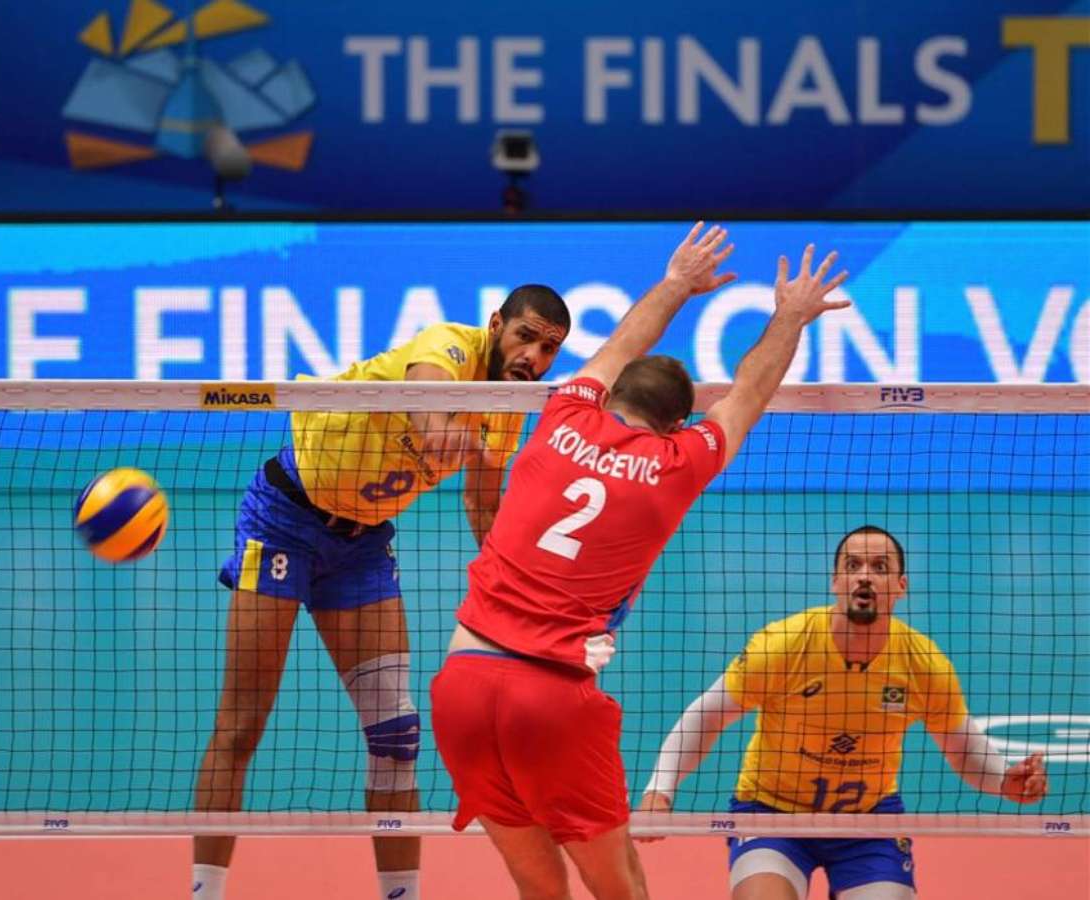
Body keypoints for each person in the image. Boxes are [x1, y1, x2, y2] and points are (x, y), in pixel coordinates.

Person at [430, 225, 852, 900]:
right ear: (677, 426)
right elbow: (748, 392)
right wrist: (791, 316)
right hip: (550, 698)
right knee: (618, 884)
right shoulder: (679, 462)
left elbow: (623, 343)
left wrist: (678, 282)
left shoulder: (563, 414)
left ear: (610, 395)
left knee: (537, 886)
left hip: (462, 683)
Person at [192, 287, 571, 900]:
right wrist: (438, 428)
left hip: (362, 546)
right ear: (496, 324)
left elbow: (482, 502)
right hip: (285, 520)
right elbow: (424, 389)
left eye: (549, 348)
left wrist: (518, 592)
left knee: (396, 735)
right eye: (525, 336)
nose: (534, 356)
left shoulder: (509, 405)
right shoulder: (449, 345)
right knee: (241, 726)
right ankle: (204, 892)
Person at [639, 524, 1050, 900]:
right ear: (835, 581)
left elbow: (963, 751)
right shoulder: (783, 645)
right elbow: (706, 716)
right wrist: (660, 789)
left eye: (879, 567)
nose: (864, 576)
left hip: (868, 822)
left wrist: (1004, 781)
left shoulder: (925, 665)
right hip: (771, 814)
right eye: (852, 566)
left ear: (901, 586)